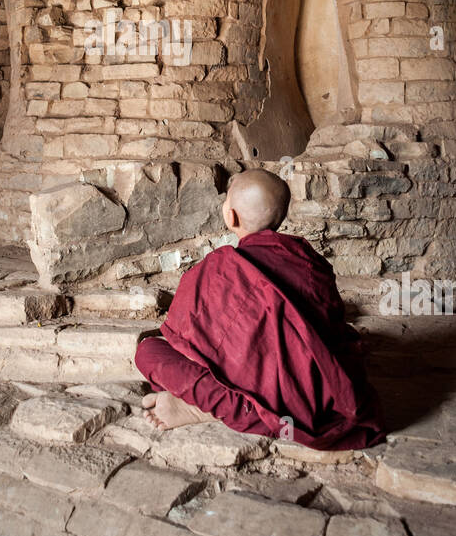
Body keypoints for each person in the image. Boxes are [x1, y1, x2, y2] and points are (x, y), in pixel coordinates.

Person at [134, 169, 385, 449]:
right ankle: (227, 405)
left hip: (269, 398)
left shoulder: (217, 268)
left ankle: (207, 406)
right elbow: (331, 329)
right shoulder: (310, 261)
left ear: (231, 216)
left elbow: (186, 341)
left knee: (148, 350)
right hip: (316, 398)